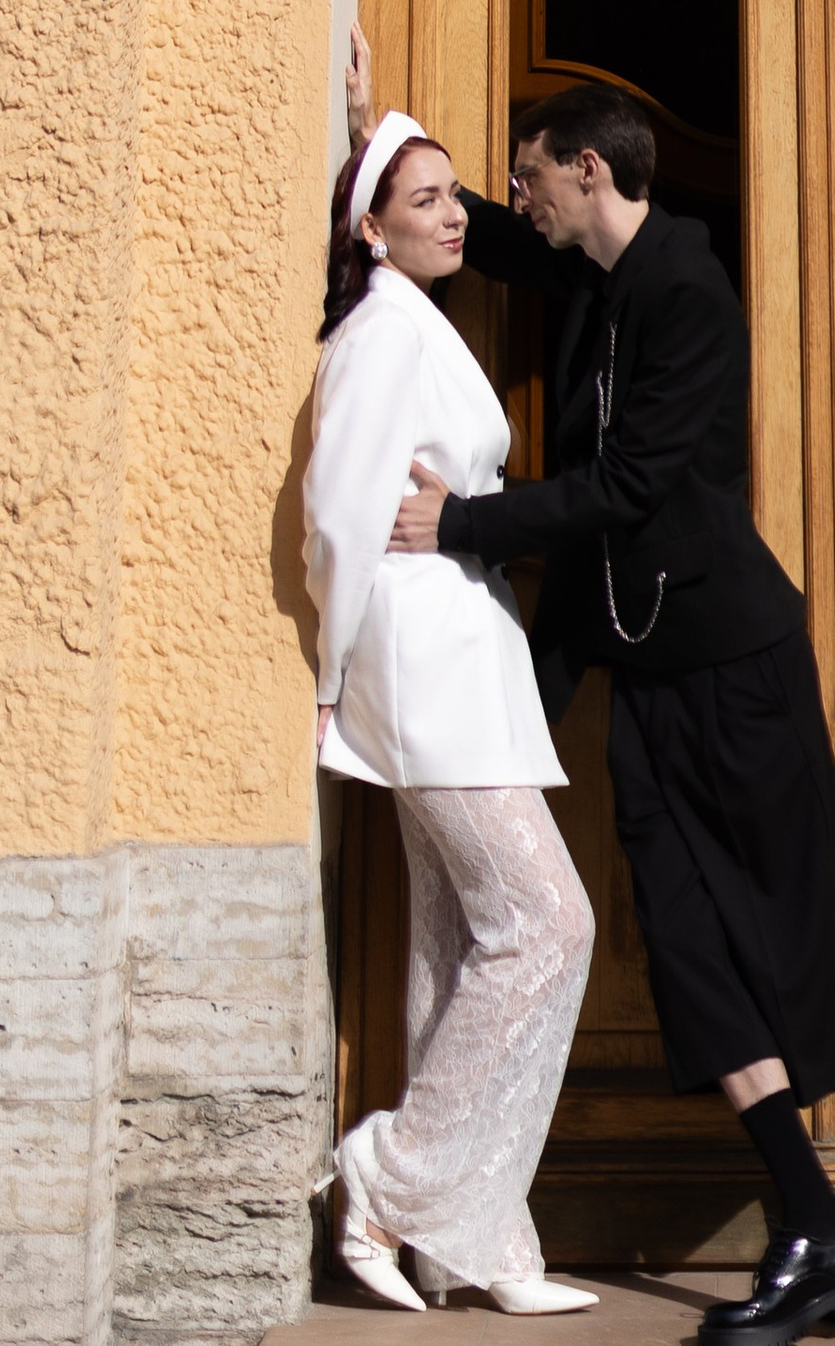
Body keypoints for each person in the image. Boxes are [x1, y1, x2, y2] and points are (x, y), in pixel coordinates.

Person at [361, 36, 835, 1346]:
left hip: (740, 668)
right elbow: (474, 234)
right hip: (652, 680)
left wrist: (462, 524)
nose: (514, 196)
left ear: (588, 171)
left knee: (803, 930)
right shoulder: (593, 270)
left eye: (529, 175)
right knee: (690, 945)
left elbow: (632, 484)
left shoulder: (685, 293)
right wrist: (367, 136)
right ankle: (816, 1222)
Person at [305, 102, 598, 1316]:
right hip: (422, 665)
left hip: (458, 657)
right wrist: (333, 679)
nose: (453, 214)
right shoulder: (381, 333)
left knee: (450, 941)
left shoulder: (414, 321)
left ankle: (469, 1241)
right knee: (548, 922)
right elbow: (338, 514)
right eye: (423, 199)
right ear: (371, 229)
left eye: (453, 195)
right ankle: (391, 1176)